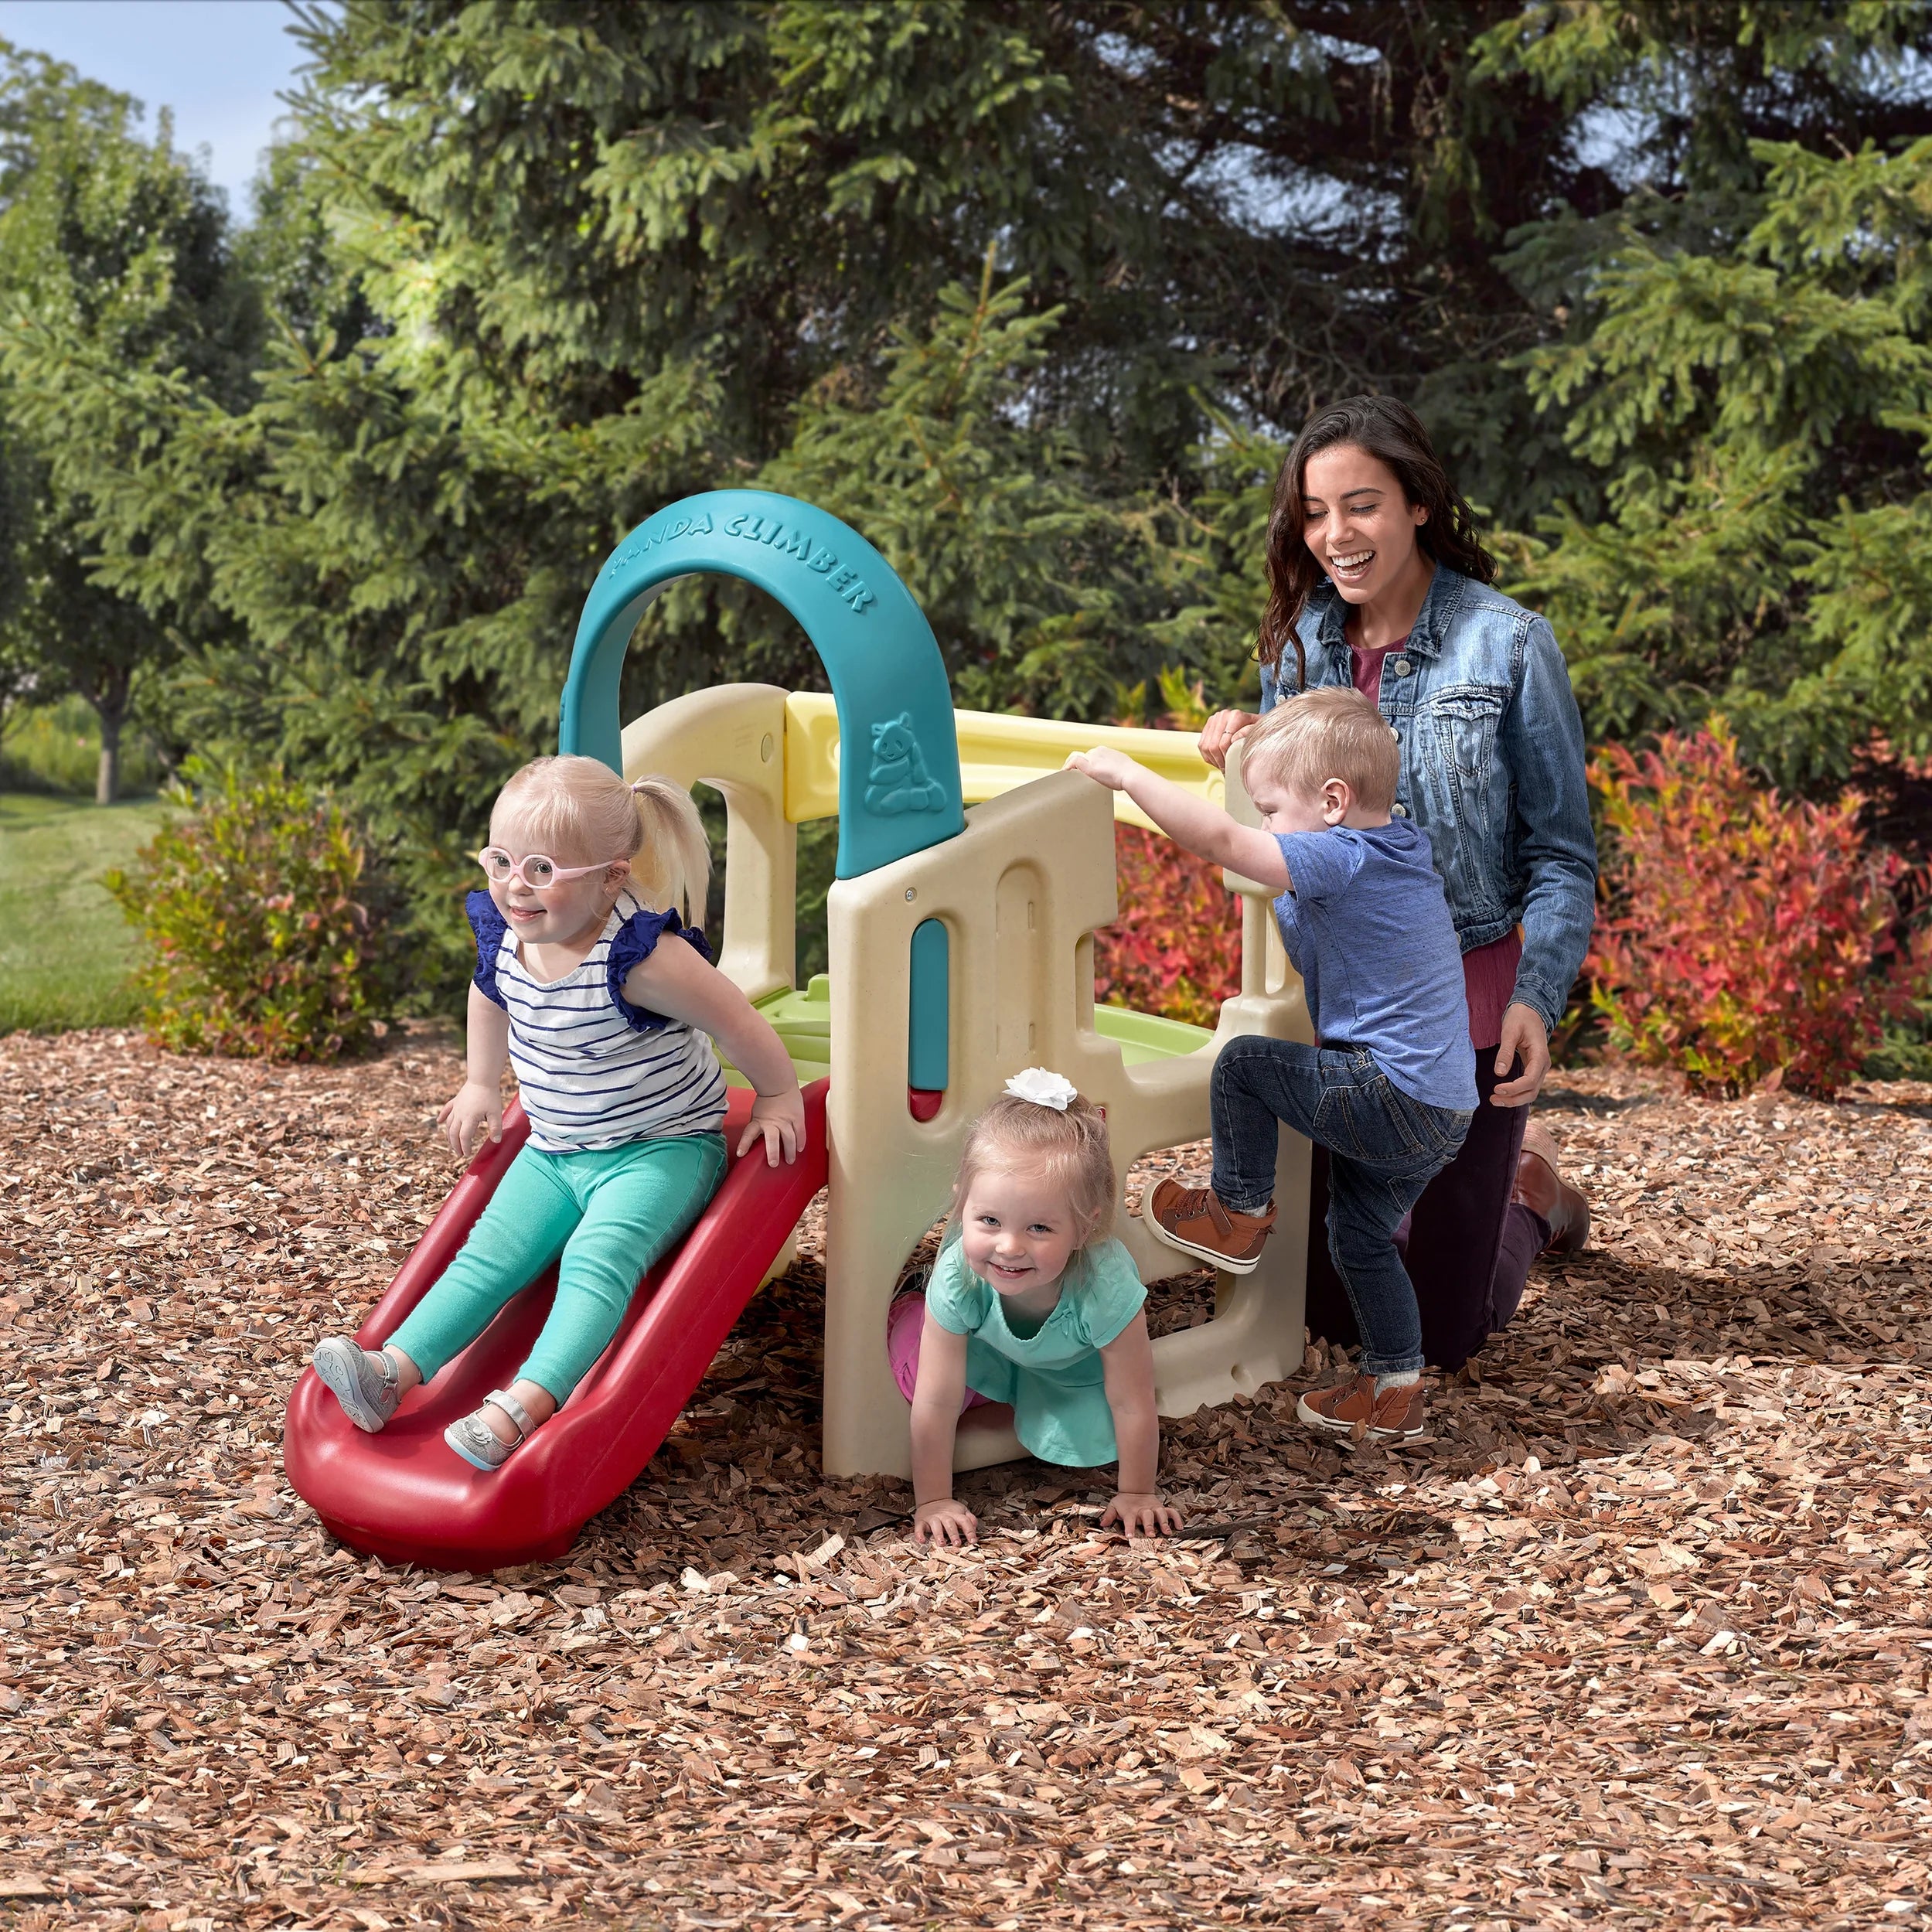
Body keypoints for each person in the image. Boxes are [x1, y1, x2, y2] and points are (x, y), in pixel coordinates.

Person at [1196, 396, 1594, 1372]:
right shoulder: (1296, 647)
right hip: (1345, 1011)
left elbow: (1563, 855)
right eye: (1315, 513)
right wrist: (1232, 743)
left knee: (1447, 1337)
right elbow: (1276, 813)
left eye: (1361, 505)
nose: (1336, 535)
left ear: (1418, 503)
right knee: (1332, 1312)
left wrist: (1539, 996)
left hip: (1469, 1008)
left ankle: (1530, 1203)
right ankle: (1513, 1194)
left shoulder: (1506, 644)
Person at [309, 755, 806, 1471]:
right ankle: (392, 1373)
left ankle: (521, 1407)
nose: (515, 884)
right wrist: (483, 1082)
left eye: (541, 869)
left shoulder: (640, 958)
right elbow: (488, 993)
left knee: (597, 1257)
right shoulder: (511, 934)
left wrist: (778, 1093)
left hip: (660, 1148)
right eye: (502, 859)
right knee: (487, 1255)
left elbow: (735, 1019)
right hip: (553, 1146)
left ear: (611, 876)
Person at [1070, 689, 1476, 1441]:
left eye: (1271, 808)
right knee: (1358, 1237)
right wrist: (1257, 746)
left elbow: (1226, 845)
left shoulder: (1341, 857)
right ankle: (1397, 1389)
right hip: (1443, 1108)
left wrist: (1127, 776)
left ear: (1332, 801)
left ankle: (1239, 1213)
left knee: (1245, 1065)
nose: (1263, 825)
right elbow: (1308, 789)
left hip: (1387, 1089)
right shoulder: (1395, 843)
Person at [896, 1069, 1182, 1544]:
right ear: (961, 1203)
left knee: (1091, 1433)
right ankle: (908, 1309)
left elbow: (1131, 1399)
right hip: (989, 1348)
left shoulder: (1104, 1285)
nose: (1008, 1247)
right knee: (912, 1375)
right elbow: (936, 1399)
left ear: (1084, 1229)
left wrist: (1136, 1492)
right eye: (989, 1220)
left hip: (1069, 1369)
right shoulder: (958, 1276)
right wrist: (933, 1500)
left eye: (1040, 1229)